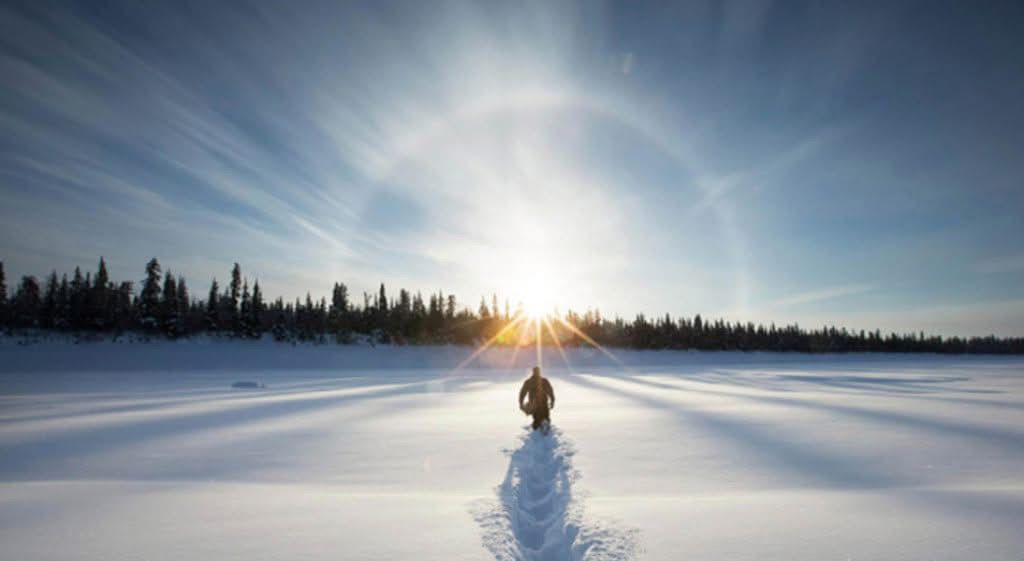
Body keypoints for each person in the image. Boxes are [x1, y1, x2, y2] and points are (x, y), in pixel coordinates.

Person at [518, 366, 555, 430]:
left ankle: (539, 424)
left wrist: (521, 403)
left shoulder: (529, 381)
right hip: (541, 403)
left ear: (533, 372)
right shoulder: (544, 381)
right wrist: (552, 401)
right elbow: (550, 392)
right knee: (544, 416)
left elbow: (522, 393)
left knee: (538, 417)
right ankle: (543, 423)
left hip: (535, 404)